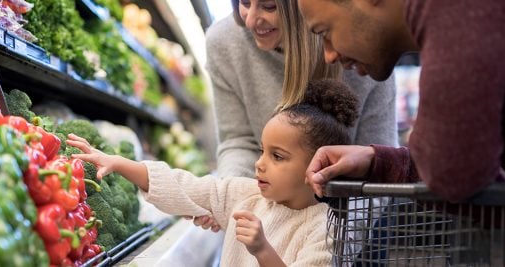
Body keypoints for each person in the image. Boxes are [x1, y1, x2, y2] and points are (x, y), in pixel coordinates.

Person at [168, 0, 398, 264]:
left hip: (351, 230)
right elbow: (238, 140)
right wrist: (232, 200)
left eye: (268, 6)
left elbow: (379, 170)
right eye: (244, 2)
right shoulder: (225, 41)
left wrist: (330, 247)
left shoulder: (363, 50)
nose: (251, 19)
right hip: (268, 223)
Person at [69, 79, 360, 266]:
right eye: (262, 151)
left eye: (277, 156)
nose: (260, 163)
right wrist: (118, 162)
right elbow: (182, 186)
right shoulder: (245, 195)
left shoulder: (323, 228)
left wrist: (262, 250)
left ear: (316, 168)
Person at [299, 0, 505, 201]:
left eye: (325, 32)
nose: (328, 55)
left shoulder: (456, 8)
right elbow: (457, 164)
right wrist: (378, 162)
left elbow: (453, 176)